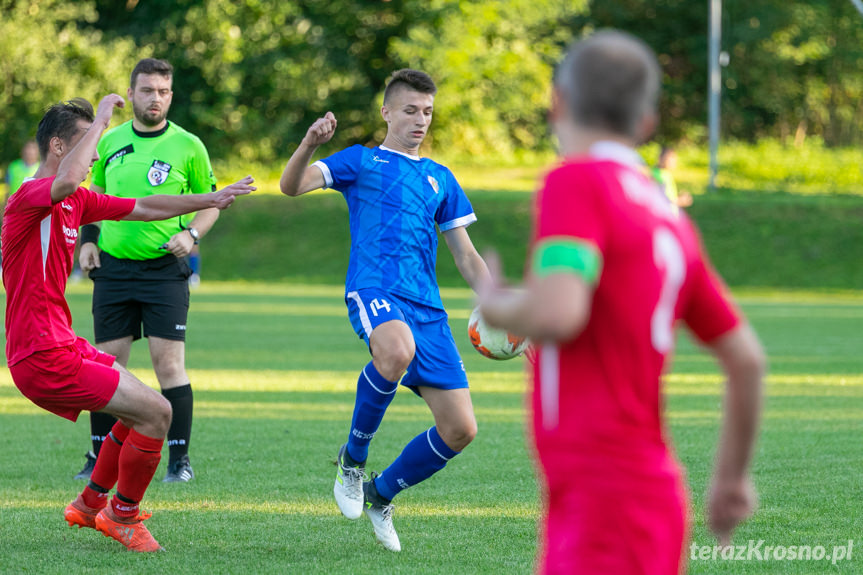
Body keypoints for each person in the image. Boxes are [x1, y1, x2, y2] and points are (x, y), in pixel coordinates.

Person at [477, 31, 765, 574]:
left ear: (556, 102)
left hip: (601, 496)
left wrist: (498, 307)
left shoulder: (577, 183)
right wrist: (730, 480)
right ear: (645, 124)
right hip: (639, 494)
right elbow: (747, 360)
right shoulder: (670, 221)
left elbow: (560, 312)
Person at [2, 94, 253, 552]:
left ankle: (89, 502)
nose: (97, 152)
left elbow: (146, 206)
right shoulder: (27, 198)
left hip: (62, 343)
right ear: (58, 146)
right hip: (41, 355)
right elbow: (68, 177)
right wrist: (101, 118)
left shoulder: (75, 201)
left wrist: (211, 199)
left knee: (144, 407)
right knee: (159, 414)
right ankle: (121, 516)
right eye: (89, 141)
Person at [279, 69, 491, 552]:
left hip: (428, 307)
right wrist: (309, 143)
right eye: (411, 110)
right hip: (375, 288)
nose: (420, 120)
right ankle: (352, 460)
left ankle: (381, 491)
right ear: (387, 112)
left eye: (428, 112)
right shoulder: (361, 161)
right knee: (394, 351)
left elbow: (466, 255)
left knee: (461, 430)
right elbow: (291, 186)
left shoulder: (440, 178)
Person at [75, 58, 219, 483]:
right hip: (113, 268)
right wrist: (87, 241)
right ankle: (98, 455)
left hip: (164, 271)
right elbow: (93, 194)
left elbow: (210, 203)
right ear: (132, 93)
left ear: (170, 95)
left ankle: (179, 461)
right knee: (106, 364)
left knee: (168, 365)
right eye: (147, 90)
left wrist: (191, 236)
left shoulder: (189, 145)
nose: (155, 98)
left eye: (163, 91)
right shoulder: (111, 140)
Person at [652, 145, 692, 210]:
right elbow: (661, 198)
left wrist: (678, 197)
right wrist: (679, 201)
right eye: (670, 159)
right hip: (663, 214)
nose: (673, 162)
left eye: (674, 159)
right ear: (660, 159)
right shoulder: (657, 175)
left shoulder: (666, 174)